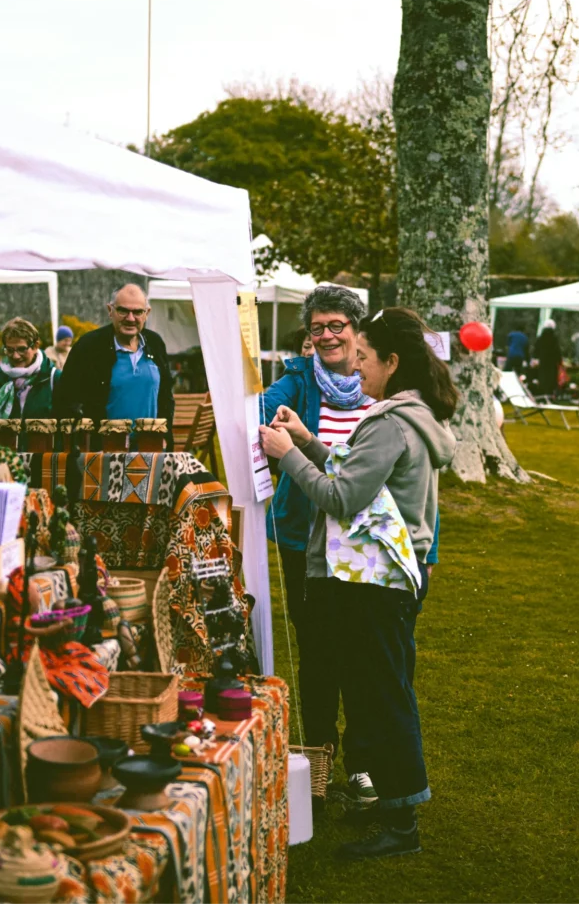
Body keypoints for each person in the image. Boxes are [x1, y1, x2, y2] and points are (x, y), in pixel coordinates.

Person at [259, 307, 456, 861]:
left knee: (384, 700)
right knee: (381, 695)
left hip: (376, 584)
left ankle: (402, 822)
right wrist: (308, 439)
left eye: (365, 358)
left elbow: (341, 499)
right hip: (386, 582)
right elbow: (358, 477)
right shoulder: (408, 417)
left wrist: (289, 456)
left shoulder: (391, 422)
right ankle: (395, 810)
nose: (358, 369)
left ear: (393, 363)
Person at [260, 286, 377, 810]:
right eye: (317, 328)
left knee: (365, 651)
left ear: (356, 332)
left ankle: (364, 761)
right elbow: (253, 417)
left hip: (367, 539)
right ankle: (317, 759)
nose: (327, 335)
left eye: (337, 326)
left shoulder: (379, 380)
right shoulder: (297, 381)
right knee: (316, 650)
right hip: (303, 539)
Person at [52, 284, 174, 425]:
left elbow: (166, 397)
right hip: (104, 445)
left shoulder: (155, 343)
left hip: (150, 444)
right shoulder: (88, 347)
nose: (130, 318)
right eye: (123, 311)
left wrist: (164, 438)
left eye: (137, 312)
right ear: (110, 310)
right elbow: (66, 400)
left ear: (147, 313)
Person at [0, 317, 58, 443]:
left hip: (43, 455)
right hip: (5, 455)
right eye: (10, 350)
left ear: (36, 346)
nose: (15, 356)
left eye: (22, 349)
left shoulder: (53, 378)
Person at [533, 320, 561, 396]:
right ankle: (550, 394)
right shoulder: (554, 338)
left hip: (543, 361)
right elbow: (557, 350)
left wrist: (535, 358)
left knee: (543, 377)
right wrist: (559, 360)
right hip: (552, 362)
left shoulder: (540, 338)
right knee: (551, 378)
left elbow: (536, 349)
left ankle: (542, 393)